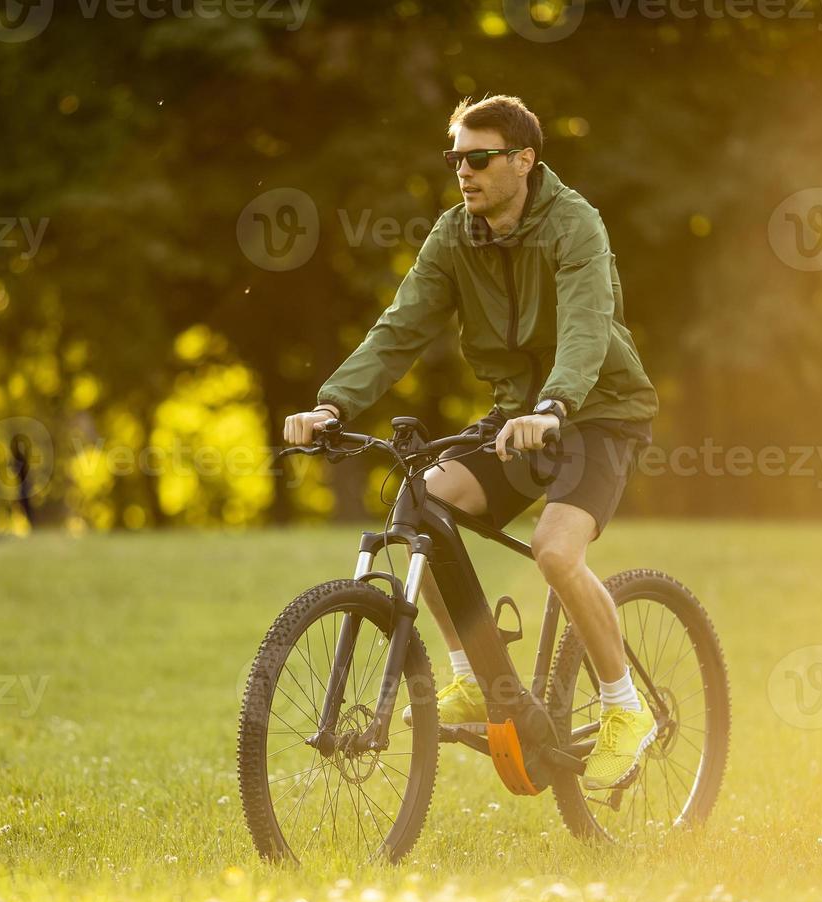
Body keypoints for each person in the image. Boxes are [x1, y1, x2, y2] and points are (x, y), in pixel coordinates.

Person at [282, 95, 659, 790]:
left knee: (553, 551)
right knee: (420, 503)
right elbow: (399, 329)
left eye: (478, 157)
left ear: (523, 161)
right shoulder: (455, 236)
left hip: (598, 410)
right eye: (455, 157)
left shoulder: (575, 225)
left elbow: (585, 324)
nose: (463, 170)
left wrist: (555, 402)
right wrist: (332, 403)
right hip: (517, 414)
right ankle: (472, 675)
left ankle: (624, 707)